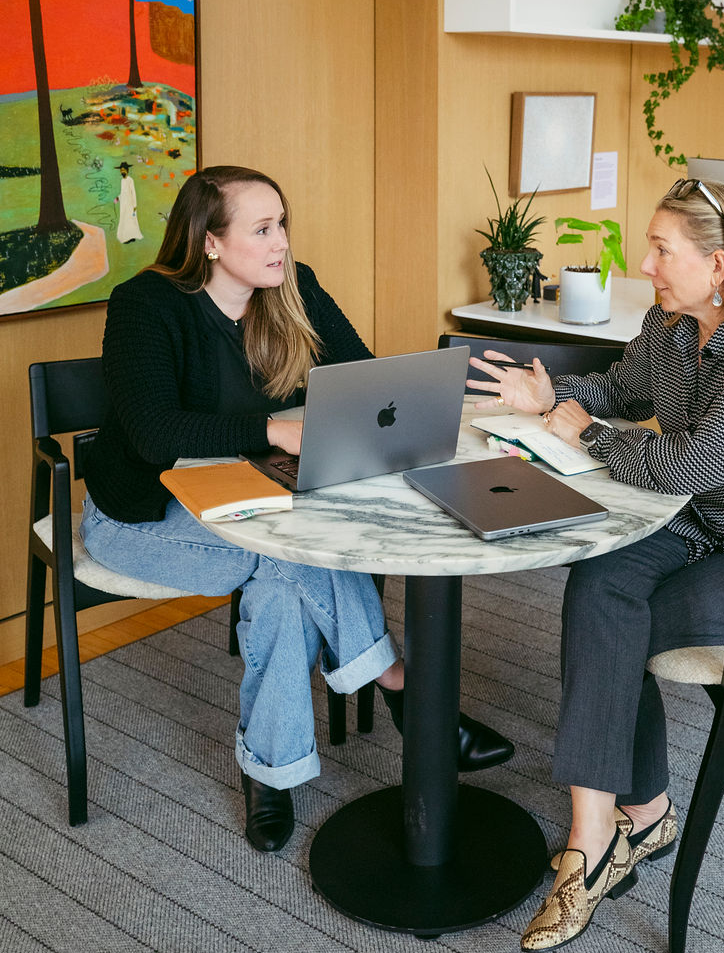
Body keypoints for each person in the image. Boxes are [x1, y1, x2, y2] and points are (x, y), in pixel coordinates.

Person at [467, 177, 724, 951]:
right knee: (600, 580)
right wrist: (557, 392)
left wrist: (582, 434)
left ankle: (599, 842)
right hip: (703, 528)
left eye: (661, 249)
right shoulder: (671, 327)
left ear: (719, 266)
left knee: (621, 626)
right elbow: (620, 389)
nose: (645, 263)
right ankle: (627, 818)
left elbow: (691, 461)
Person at [83, 164, 512, 854]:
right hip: (139, 516)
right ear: (211, 242)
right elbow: (153, 432)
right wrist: (274, 430)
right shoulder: (146, 304)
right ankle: (403, 688)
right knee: (287, 560)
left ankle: (271, 775)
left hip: (244, 496)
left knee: (283, 582)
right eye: (262, 228)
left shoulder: (292, 287)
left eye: (281, 223)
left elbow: (363, 374)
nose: (281, 241)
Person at [115, 161, 141, 243]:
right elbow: (123, 193)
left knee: (130, 219)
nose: (122, 171)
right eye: (121, 170)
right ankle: (126, 237)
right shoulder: (122, 181)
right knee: (124, 220)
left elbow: (133, 192)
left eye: (123, 170)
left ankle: (131, 236)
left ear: (127, 170)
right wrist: (118, 198)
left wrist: (134, 205)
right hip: (123, 204)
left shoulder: (130, 180)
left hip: (130, 204)